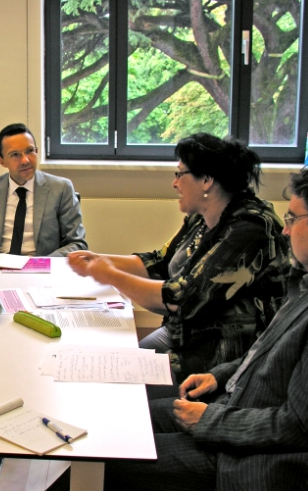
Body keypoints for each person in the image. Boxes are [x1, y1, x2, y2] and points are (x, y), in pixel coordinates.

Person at [0, 161, 308, 491]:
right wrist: (221, 376)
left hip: (256, 460)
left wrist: (210, 419)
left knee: (116, 458)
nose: (285, 229)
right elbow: (271, 351)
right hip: (238, 411)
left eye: (294, 218)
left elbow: (303, 427)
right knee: (120, 421)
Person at [69, 133, 290, 382]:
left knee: (114, 379)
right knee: (107, 365)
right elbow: (161, 263)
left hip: (222, 355)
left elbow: (182, 299)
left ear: (206, 180)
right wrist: (97, 260)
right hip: (184, 334)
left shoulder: (251, 228)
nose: (175, 183)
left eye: (180, 174)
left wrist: (110, 275)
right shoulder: (202, 217)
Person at [0, 123, 87, 257]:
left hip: (40, 265)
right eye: (15, 155)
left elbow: (76, 243)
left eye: (29, 151)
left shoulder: (61, 188)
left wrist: (44, 263)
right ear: (2, 161)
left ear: (37, 151)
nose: (25, 160)